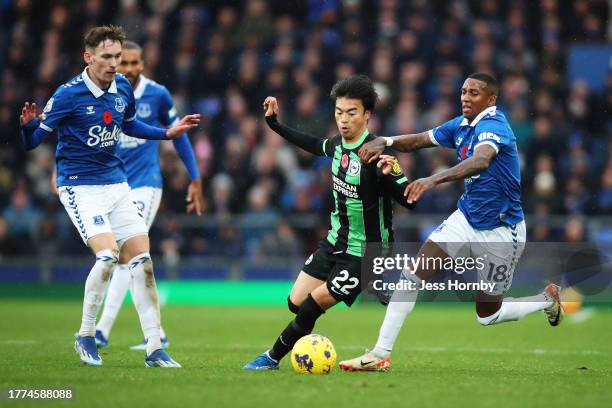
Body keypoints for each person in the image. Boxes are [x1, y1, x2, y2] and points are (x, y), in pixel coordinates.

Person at [338, 73, 563, 372]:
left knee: (487, 315)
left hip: (501, 231)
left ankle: (546, 300)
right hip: (466, 218)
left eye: (474, 93)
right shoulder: (461, 125)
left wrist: (433, 179)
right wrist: (386, 141)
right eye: (463, 91)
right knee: (412, 276)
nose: (465, 97)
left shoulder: (494, 126)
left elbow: (481, 161)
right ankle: (380, 353)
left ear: (491, 99)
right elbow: (420, 140)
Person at [19, 25, 200, 368]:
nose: (115, 63)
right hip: (79, 186)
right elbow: (32, 142)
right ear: (88, 58)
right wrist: (27, 127)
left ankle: (154, 348)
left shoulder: (122, 89)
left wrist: (166, 133)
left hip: (116, 184)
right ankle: (87, 336)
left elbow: (129, 124)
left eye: (118, 56)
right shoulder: (68, 94)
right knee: (107, 257)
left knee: (142, 262)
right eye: (107, 57)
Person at [242, 74, 414, 371]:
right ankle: (367, 287)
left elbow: (410, 200)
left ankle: (270, 358)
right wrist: (274, 124)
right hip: (335, 242)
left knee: (312, 304)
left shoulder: (378, 156)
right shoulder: (336, 146)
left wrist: (392, 174)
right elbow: (311, 143)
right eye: (338, 112)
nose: (343, 120)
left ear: (367, 114)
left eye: (351, 113)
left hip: (367, 253)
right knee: (296, 302)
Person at [93, 40, 203, 351]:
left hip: (145, 185)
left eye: (133, 63)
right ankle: (159, 334)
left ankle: (101, 331)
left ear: (143, 64)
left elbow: (177, 135)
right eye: (122, 63)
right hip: (112, 185)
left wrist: (195, 177)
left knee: (124, 253)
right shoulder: (103, 92)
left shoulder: (157, 95)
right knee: (127, 258)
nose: (127, 69)